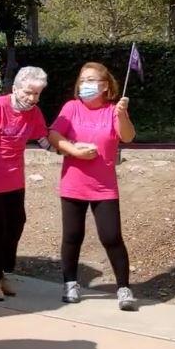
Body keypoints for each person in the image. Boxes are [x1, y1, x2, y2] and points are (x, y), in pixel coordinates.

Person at [48, 62, 137, 311]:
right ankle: (70, 283)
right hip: (73, 184)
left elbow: (127, 136)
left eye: (92, 80)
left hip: (104, 187)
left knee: (111, 237)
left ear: (105, 85)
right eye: (83, 80)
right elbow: (53, 135)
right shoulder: (71, 108)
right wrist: (74, 150)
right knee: (72, 236)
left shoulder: (112, 110)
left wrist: (121, 114)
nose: (86, 84)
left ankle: (123, 288)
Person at [0, 66, 53, 301]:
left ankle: (5, 271)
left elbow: (43, 139)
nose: (32, 98)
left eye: (37, 94)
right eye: (28, 92)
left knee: (17, 223)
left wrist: (68, 150)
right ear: (16, 88)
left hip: (14, 179)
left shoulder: (34, 113)